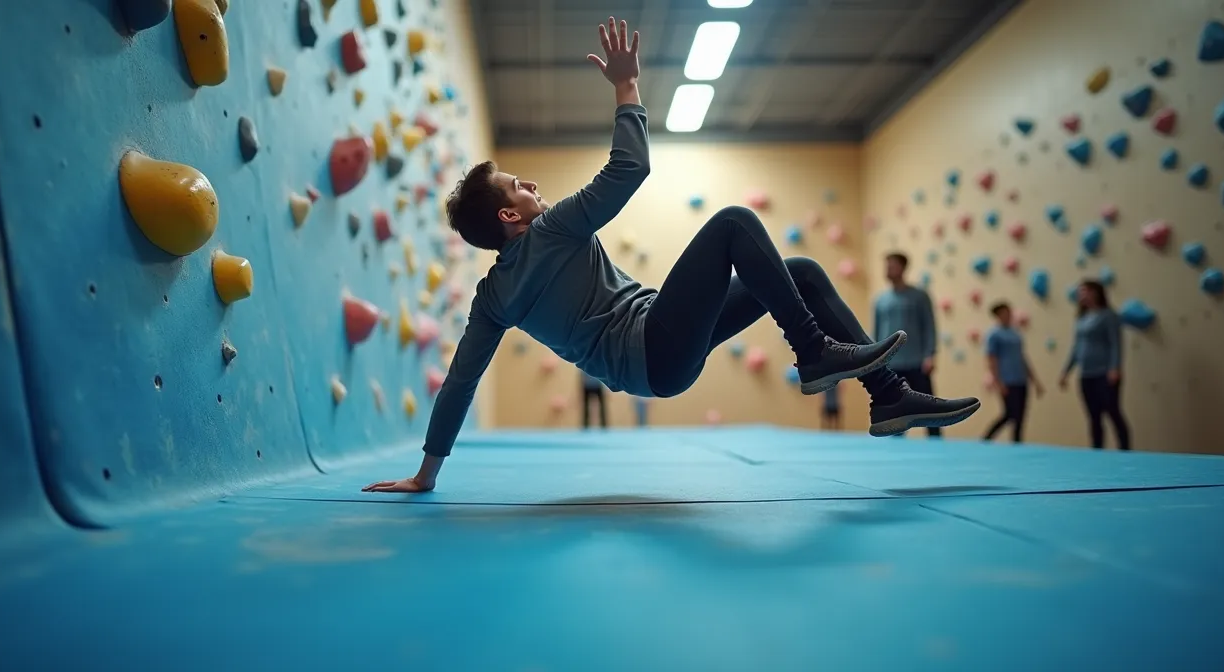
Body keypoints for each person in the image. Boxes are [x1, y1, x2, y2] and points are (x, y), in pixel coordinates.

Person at [362, 17, 981, 493]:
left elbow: (461, 381)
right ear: (509, 217)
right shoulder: (552, 229)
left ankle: (887, 393)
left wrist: (426, 474)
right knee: (734, 222)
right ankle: (814, 352)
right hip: (655, 342)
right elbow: (630, 167)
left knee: (803, 274)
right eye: (517, 186)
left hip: (655, 364)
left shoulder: (492, 297)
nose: (531, 186)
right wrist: (626, 86)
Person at [873, 252, 942, 437]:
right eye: (886, 266)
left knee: (928, 408)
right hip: (890, 365)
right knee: (895, 412)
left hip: (917, 362)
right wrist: (875, 362)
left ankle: (937, 444)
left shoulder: (919, 296)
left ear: (903, 268)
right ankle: (897, 449)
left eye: (892, 266)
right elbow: (876, 333)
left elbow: (929, 326)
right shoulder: (880, 300)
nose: (888, 270)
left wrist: (930, 354)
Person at [1060, 279, 1131, 450]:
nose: (1081, 295)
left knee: (1112, 411)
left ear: (1095, 293)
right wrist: (1066, 371)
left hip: (1104, 373)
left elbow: (1115, 343)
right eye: (1080, 292)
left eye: (1085, 291)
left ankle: (1125, 449)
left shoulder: (1108, 315)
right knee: (1093, 415)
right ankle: (1097, 449)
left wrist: (1115, 367)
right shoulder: (1081, 318)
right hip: (1086, 374)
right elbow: (1076, 347)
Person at [982, 302, 1043, 443]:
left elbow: (1022, 357)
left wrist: (1035, 381)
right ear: (998, 315)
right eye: (1004, 313)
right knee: (1010, 413)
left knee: (1020, 416)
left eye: (1009, 312)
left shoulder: (1016, 334)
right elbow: (991, 359)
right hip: (1007, 380)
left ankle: (1017, 443)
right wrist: (998, 381)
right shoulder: (994, 334)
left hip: (1020, 379)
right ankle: (986, 438)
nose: (1007, 315)